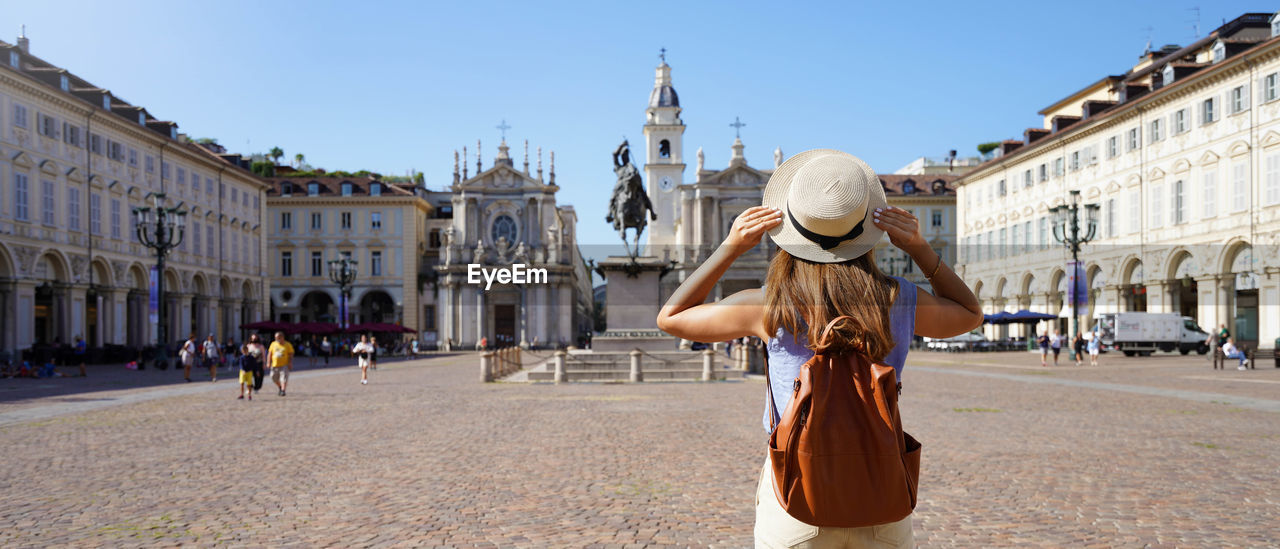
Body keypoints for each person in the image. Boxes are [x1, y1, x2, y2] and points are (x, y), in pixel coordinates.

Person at [654, 150, 982, 547]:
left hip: (796, 494)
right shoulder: (898, 298)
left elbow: (672, 316)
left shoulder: (768, 305)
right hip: (881, 492)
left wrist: (730, 248)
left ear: (790, 229)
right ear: (867, 229)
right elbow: (969, 313)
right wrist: (919, 248)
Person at [267, 331, 294, 397]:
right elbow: (269, 354)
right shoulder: (273, 344)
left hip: (284, 364)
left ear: (282, 337)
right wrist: (268, 362)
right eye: (276, 338)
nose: (277, 339)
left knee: (284, 377)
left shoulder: (287, 344)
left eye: (278, 337)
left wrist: (290, 363)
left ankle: (283, 390)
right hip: (275, 364)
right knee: (273, 377)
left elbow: (291, 354)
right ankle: (280, 386)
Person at [240, 334, 266, 400]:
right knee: (249, 377)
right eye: (252, 338)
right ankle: (250, 388)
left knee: (259, 376)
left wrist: (264, 363)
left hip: (259, 363)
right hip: (250, 364)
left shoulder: (261, 346)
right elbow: (245, 353)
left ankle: (257, 387)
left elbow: (263, 355)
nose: (254, 340)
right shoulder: (249, 346)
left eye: (255, 338)